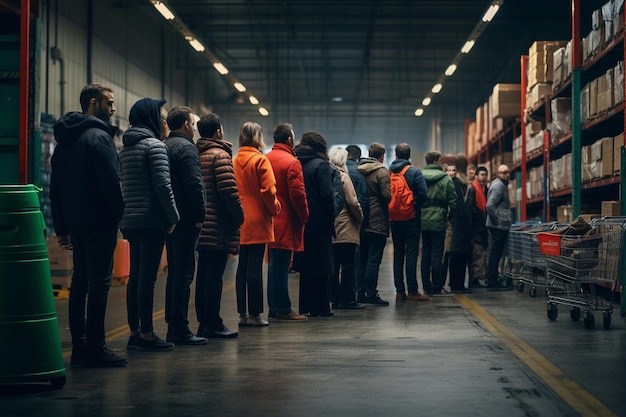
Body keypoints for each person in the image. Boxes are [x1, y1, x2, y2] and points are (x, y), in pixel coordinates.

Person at [50, 82, 127, 367]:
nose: (114, 108)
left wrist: (62, 228)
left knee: (80, 282)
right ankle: (97, 347)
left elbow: (54, 190)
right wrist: (121, 217)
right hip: (99, 222)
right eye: (109, 103)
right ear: (92, 103)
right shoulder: (98, 138)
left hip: (77, 223)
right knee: (99, 283)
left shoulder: (65, 141)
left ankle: (81, 347)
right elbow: (112, 184)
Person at [119, 98, 179, 352]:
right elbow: (163, 187)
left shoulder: (126, 147)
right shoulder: (155, 146)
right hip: (152, 219)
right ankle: (147, 334)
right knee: (148, 279)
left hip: (131, 220)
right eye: (162, 118)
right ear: (152, 119)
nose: (165, 122)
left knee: (135, 277)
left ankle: (135, 331)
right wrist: (173, 217)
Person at [195, 113, 244, 338]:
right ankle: (213, 323)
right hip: (218, 226)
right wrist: (239, 217)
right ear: (218, 131)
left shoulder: (198, 153)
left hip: (202, 225)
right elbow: (229, 192)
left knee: (204, 275)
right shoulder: (220, 154)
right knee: (214, 276)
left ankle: (204, 322)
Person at [164, 106, 208, 345]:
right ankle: (179, 328)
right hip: (187, 220)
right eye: (193, 123)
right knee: (184, 274)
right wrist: (200, 214)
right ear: (187, 125)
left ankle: (173, 323)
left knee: (174, 272)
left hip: (171, 219)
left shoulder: (166, 145)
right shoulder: (187, 148)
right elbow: (194, 185)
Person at [233, 122, 281, 326]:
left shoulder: (234, 160)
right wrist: (276, 208)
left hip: (239, 219)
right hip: (258, 220)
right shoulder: (260, 160)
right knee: (255, 267)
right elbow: (268, 191)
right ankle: (255, 314)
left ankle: (242, 314)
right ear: (257, 138)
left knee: (241, 268)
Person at [266, 123, 309, 323]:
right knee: (282, 266)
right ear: (289, 139)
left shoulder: (266, 158)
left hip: (269, 220)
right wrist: (304, 217)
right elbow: (298, 196)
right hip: (285, 221)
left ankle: (274, 307)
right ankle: (283, 308)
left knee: (274, 266)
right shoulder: (292, 162)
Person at [293, 132, 336, 317]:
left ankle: (305, 306)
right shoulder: (321, 165)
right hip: (319, 220)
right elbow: (327, 195)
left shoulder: (297, 163)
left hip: (301, 219)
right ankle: (321, 307)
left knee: (305, 267)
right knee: (322, 265)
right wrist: (331, 215)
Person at [388, 143, 429, 302]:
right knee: (411, 253)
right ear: (409, 155)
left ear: (396, 155)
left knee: (398, 254)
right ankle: (412, 290)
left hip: (395, 219)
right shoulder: (414, 172)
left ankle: (399, 291)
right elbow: (424, 196)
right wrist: (414, 204)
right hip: (411, 218)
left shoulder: (390, 172)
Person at [356, 142, 392, 306]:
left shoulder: (358, 169)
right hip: (377, 220)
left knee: (361, 258)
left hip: (361, 219)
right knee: (373, 259)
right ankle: (371, 293)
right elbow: (386, 196)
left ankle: (360, 292)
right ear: (382, 156)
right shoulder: (381, 171)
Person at [329, 147, 364, 309]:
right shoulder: (343, 177)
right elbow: (353, 202)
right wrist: (360, 218)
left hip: (331, 227)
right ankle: (348, 299)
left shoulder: (326, 175)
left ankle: (334, 299)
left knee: (334, 266)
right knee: (349, 265)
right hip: (346, 227)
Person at [420, 151, 457, 297]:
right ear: (436, 161)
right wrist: (450, 217)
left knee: (425, 254)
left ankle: (426, 287)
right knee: (437, 254)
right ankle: (437, 287)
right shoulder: (446, 179)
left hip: (423, 221)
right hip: (439, 221)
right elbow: (454, 202)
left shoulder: (419, 177)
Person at [486, 164, 514, 291]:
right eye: (503, 172)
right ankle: (492, 281)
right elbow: (490, 205)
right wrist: (498, 220)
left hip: (498, 225)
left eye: (507, 172)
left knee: (495, 253)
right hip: (498, 226)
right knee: (495, 253)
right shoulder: (499, 186)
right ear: (498, 174)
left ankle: (493, 279)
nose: (506, 175)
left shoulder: (499, 184)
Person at [448, 154, 472, 294]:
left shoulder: (455, 182)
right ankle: (459, 284)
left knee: (456, 254)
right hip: (464, 223)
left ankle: (456, 283)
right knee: (461, 254)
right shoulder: (465, 183)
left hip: (457, 222)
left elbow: (455, 203)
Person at [466, 166, 489, 288]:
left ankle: (479, 277)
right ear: (476, 176)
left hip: (482, 227)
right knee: (478, 253)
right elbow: (470, 208)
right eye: (481, 174)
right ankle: (476, 278)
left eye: (485, 175)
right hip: (476, 228)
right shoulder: (473, 189)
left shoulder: (485, 189)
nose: (484, 177)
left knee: (481, 253)